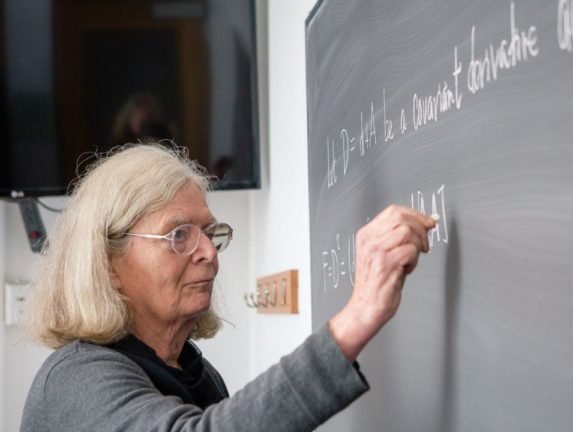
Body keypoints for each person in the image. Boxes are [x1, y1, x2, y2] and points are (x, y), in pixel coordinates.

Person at [20, 143, 436, 431]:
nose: (208, 252)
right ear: (108, 264)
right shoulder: (72, 379)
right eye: (178, 235)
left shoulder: (196, 373)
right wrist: (357, 317)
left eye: (209, 232)